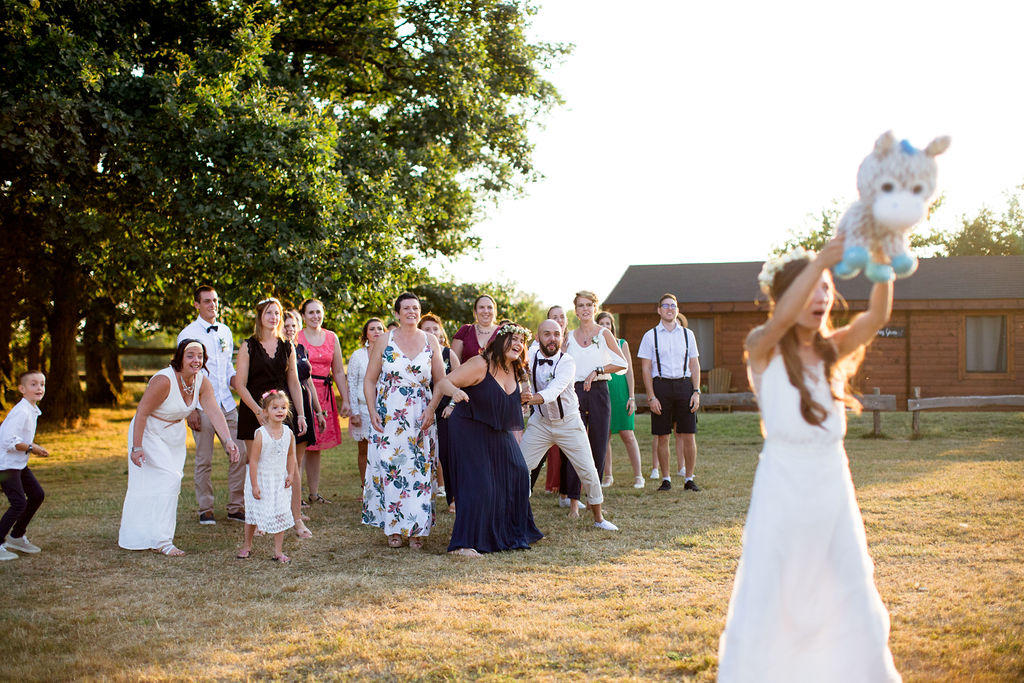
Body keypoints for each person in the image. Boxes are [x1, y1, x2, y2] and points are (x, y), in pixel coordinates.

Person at [717, 238, 900, 681]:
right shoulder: (762, 347)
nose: (821, 297)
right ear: (786, 296)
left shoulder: (829, 351)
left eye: (825, 288)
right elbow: (780, 320)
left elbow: (876, 316)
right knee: (774, 585)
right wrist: (819, 261)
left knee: (846, 582)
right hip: (782, 482)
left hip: (832, 483)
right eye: (811, 287)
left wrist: (883, 264)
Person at [426, 322, 544, 556]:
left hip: (496, 429)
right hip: (468, 427)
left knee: (519, 472)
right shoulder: (480, 364)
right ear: (499, 340)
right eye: (513, 339)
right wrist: (455, 392)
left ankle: (512, 531)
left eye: (522, 341)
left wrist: (522, 399)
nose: (519, 345)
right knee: (479, 483)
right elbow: (444, 382)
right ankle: (462, 544)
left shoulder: (514, 369)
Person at [119, 340, 240, 555]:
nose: (196, 360)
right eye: (190, 355)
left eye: (200, 356)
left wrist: (228, 440)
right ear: (180, 357)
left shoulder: (202, 381)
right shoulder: (164, 380)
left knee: (169, 484)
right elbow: (142, 413)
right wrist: (136, 447)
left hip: (173, 435)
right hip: (148, 431)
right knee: (169, 479)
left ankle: (153, 533)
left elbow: (213, 411)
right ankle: (162, 541)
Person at [362, 293, 444, 549]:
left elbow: (440, 380)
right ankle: (393, 529)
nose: (411, 311)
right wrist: (372, 409)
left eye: (416, 308)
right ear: (397, 313)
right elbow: (369, 379)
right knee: (391, 468)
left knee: (418, 470)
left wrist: (431, 408)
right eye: (406, 308)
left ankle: (417, 530)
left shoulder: (431, 340)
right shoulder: (385, 340)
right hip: (389, 414)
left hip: (421, 413)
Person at [520, 320, 619, 530]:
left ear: (562, 336)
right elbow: (518, 371)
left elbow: (552, 391)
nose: (552, 338)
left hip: (569, 422)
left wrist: (525, 399)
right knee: (520, 467)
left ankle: (599, 519)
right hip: (540, 423)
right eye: (547, 334)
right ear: (538, 338)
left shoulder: (567, 362)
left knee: (588, 470)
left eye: (556, 334)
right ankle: (517, 512)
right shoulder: (530, 357)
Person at [177, 285, 247, 525]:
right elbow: (183, 375)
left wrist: (242, 388)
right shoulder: (187, 333)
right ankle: (205, 508)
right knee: (204, 459)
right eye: (206, 301)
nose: (212, 305)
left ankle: (236, 506)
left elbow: (228, 368)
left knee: (240, 452)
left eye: (215, 301)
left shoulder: (225, 331)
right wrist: (191, 409)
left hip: (226, 403)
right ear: (197, 304)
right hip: (201, 406)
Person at [561, 291, 627, 516]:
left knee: (598, 445)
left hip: (599, 390)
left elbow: (621, 363)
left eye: (589, 305)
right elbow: (558, 364)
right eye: (581, 305)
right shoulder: (568, 336)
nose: (585, 309)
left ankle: (594, 499)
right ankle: (573, 502)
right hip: (574, 392)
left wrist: (597, 370)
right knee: (573, 444)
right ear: (576, 310)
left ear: (595, 308)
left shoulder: (604, 333)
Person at [637, 293, 701, 492]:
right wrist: (651, 396)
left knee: (689, 434)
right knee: (663, 435)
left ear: (677, 310)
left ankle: (689, 478)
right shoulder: (650, 335)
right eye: (665, 306)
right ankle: (666, 479)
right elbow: (646, 368)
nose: (669, 309)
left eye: (673, 306)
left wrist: (696, 391)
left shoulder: (688, 334)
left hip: (684, 385)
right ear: (659, 310)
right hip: (661, 387)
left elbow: (694, 364)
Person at [234, 298, 307, 464]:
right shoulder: (248, 346)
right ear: (260, 316)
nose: (273, 317)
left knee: (284, 464)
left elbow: (294, 383)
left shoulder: (288, 346)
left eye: (277, 313)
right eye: (269, 312)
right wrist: (258, 411)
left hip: (281, 410)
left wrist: (301, 415)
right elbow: (239, 384)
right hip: (254, 412)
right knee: (256, 464)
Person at [297, 298, 352, 504]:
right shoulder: (297, 336)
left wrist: (345, 398)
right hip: (303, 392)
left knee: (316, 447)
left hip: (325, 394)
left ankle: (313, 493)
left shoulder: (331, 337)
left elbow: (338, 370)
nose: (315, 316)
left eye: (318, 312)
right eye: (310, 313)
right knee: (301, 444)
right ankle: (297, 495)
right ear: (303, 316)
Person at [236, 390, 299, 563]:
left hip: (279, 479)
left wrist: (291, 473)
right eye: (275, 408)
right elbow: (254, 461)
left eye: (283, 407)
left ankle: (278, 551)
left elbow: (290, 456)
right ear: (265, 412)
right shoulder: (260, 434)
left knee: (280, 512)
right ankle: (247, 545)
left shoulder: (288, 433)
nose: (280, 411)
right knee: (253, 515)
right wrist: (255, 485)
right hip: (261, 480)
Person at [283, 310, 325, 539]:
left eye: (293, 325)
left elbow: (307, 380)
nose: (290, 329)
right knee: (283, 460)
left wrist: (318, 411)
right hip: (285, 407)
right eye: (286, 325)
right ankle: (282, 507)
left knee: (297, 460)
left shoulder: (301, 349)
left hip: (304, 406)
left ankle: (294, 507)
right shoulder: (279, 350)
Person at [0, 371, 49, 560]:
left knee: (37, 495)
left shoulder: (30, 409)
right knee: (19, 503)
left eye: (42, 384)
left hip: (18, 463)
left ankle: (17, 536)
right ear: (22, 389)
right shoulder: (21, 411)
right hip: (5, 465)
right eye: (33, 384)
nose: (39, 388)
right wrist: (33, 447)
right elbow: (8, 441)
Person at [595, 312, 644, 489]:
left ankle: (639, 476)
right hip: (603, 393)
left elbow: (629, 372)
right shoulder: (595, 346)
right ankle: (608, 476)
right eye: (602, 323)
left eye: (608, 323)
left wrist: (632, 397)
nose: (605, 326)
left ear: (612, 326)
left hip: (622, 394)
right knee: (604, 436)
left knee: (628, 434)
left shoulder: (622, 343)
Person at [418, 313, 460, 510]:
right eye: (427, 329)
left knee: (447, 455)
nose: (432, 332)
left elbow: (461, 381)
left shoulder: (447, 353)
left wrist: (452, 405)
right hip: (419, 408)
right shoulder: (414, 353)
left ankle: (453, 499)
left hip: (444, 410)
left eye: (435, 329)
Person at [528, 305, 568, 496]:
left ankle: (570, 496)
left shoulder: (570, 350)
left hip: (568, 411)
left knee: (580, 460)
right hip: (541, 414)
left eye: (561, 317)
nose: (559, 320)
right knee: (531, 458)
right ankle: (525, 491)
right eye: (554, 317)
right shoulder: (533, 352)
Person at [347, 317, 386, 489]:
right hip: (362, 408)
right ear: (366, 334)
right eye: (372, 329)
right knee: (364, 449)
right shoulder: (358, 355)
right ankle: (365, 487)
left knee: (383, 449)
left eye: (379, 328)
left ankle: (382, 485)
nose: (376, 332)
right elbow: (352, 382)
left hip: (384, 408)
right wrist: (354, 412)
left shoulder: (390, 353)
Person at [451, 294, 499, 363]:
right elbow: (453, 363)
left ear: (495, 311)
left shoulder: (503, 332)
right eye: (481, 307)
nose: (486, 311)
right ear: (475, 311)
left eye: (489, 307)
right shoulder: (465, 330)